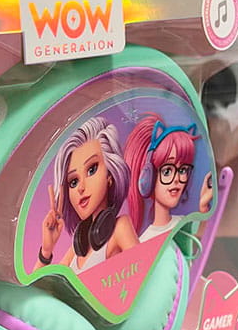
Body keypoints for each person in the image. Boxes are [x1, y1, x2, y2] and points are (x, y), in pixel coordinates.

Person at [35, 116, 138, 274]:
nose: (81, 188)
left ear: (110, 175)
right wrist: (46, 251)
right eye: (73, 182)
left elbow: (144, 274)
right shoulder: (76, 249)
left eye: (92, 170)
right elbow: (40, 287)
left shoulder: (120, 228)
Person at [124, 114, 212, 242]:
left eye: (182, 170)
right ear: (149, 177)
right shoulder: (143, 241)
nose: (176, 179)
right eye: (167, 171)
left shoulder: (183, 223)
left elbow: (198, 247)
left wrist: (203, 208)